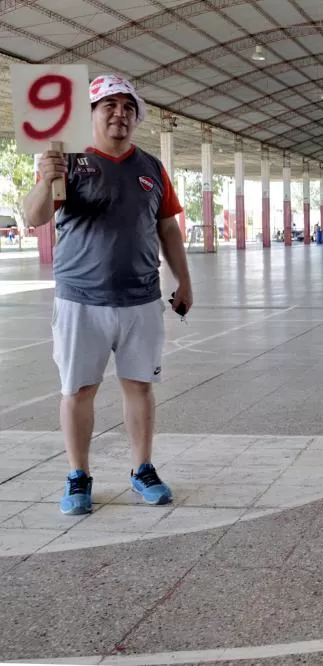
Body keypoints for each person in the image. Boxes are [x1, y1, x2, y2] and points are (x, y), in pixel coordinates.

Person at [24, 74, 192, 515]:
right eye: (108, 106)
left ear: (136, 117)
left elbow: (168, 227)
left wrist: (184, 281)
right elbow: (34, 216)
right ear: (92, 114)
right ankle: (78, 475)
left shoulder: (152, 168)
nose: (119, 114)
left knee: (140, 387)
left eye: (127, 107)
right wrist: (45, 179)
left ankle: (142, 469)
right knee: (78, 390)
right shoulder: (68, 162)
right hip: (81, 300)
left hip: (141, 299)